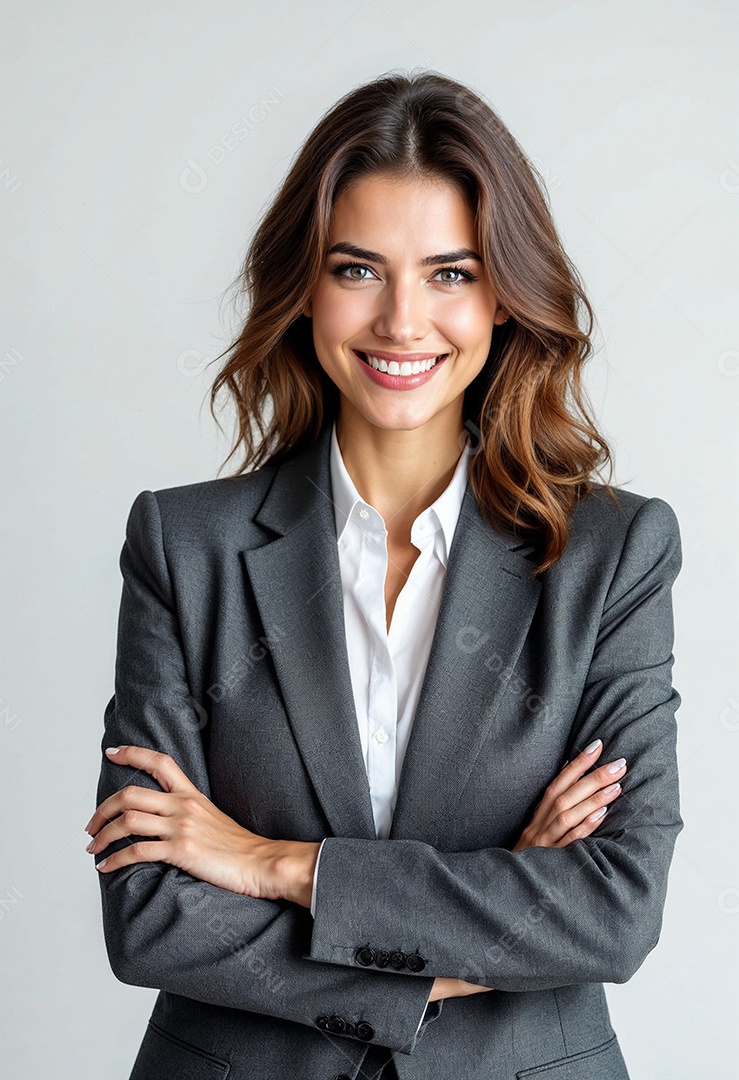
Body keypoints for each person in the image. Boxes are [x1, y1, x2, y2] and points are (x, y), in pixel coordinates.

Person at [86, 71, 683, 1080]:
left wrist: (275, 866)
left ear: (504, 296)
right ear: (304, 288)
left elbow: (613, 911)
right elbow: (152, 919)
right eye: (358, 270)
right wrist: (487, 927)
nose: (403, 322)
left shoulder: (612, 556)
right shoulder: (184, 547)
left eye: (450, 273)